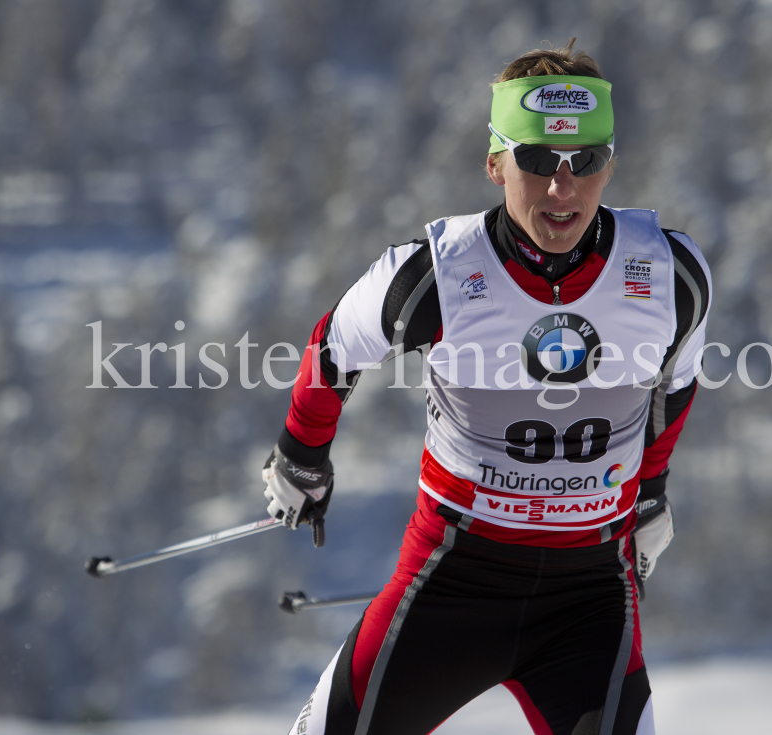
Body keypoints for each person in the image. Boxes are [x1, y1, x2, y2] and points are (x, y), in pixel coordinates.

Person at [262, 40, 711, 735]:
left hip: (590, 594)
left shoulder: (669, 276)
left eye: (585, 161)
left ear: (610, 163)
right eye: (536, 160)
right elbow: (334, 347)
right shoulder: (436, 276)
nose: (563, 188)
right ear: (495, 161)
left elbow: (672, 386)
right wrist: (301, 455)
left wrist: (650, 493)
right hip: (452, 578)